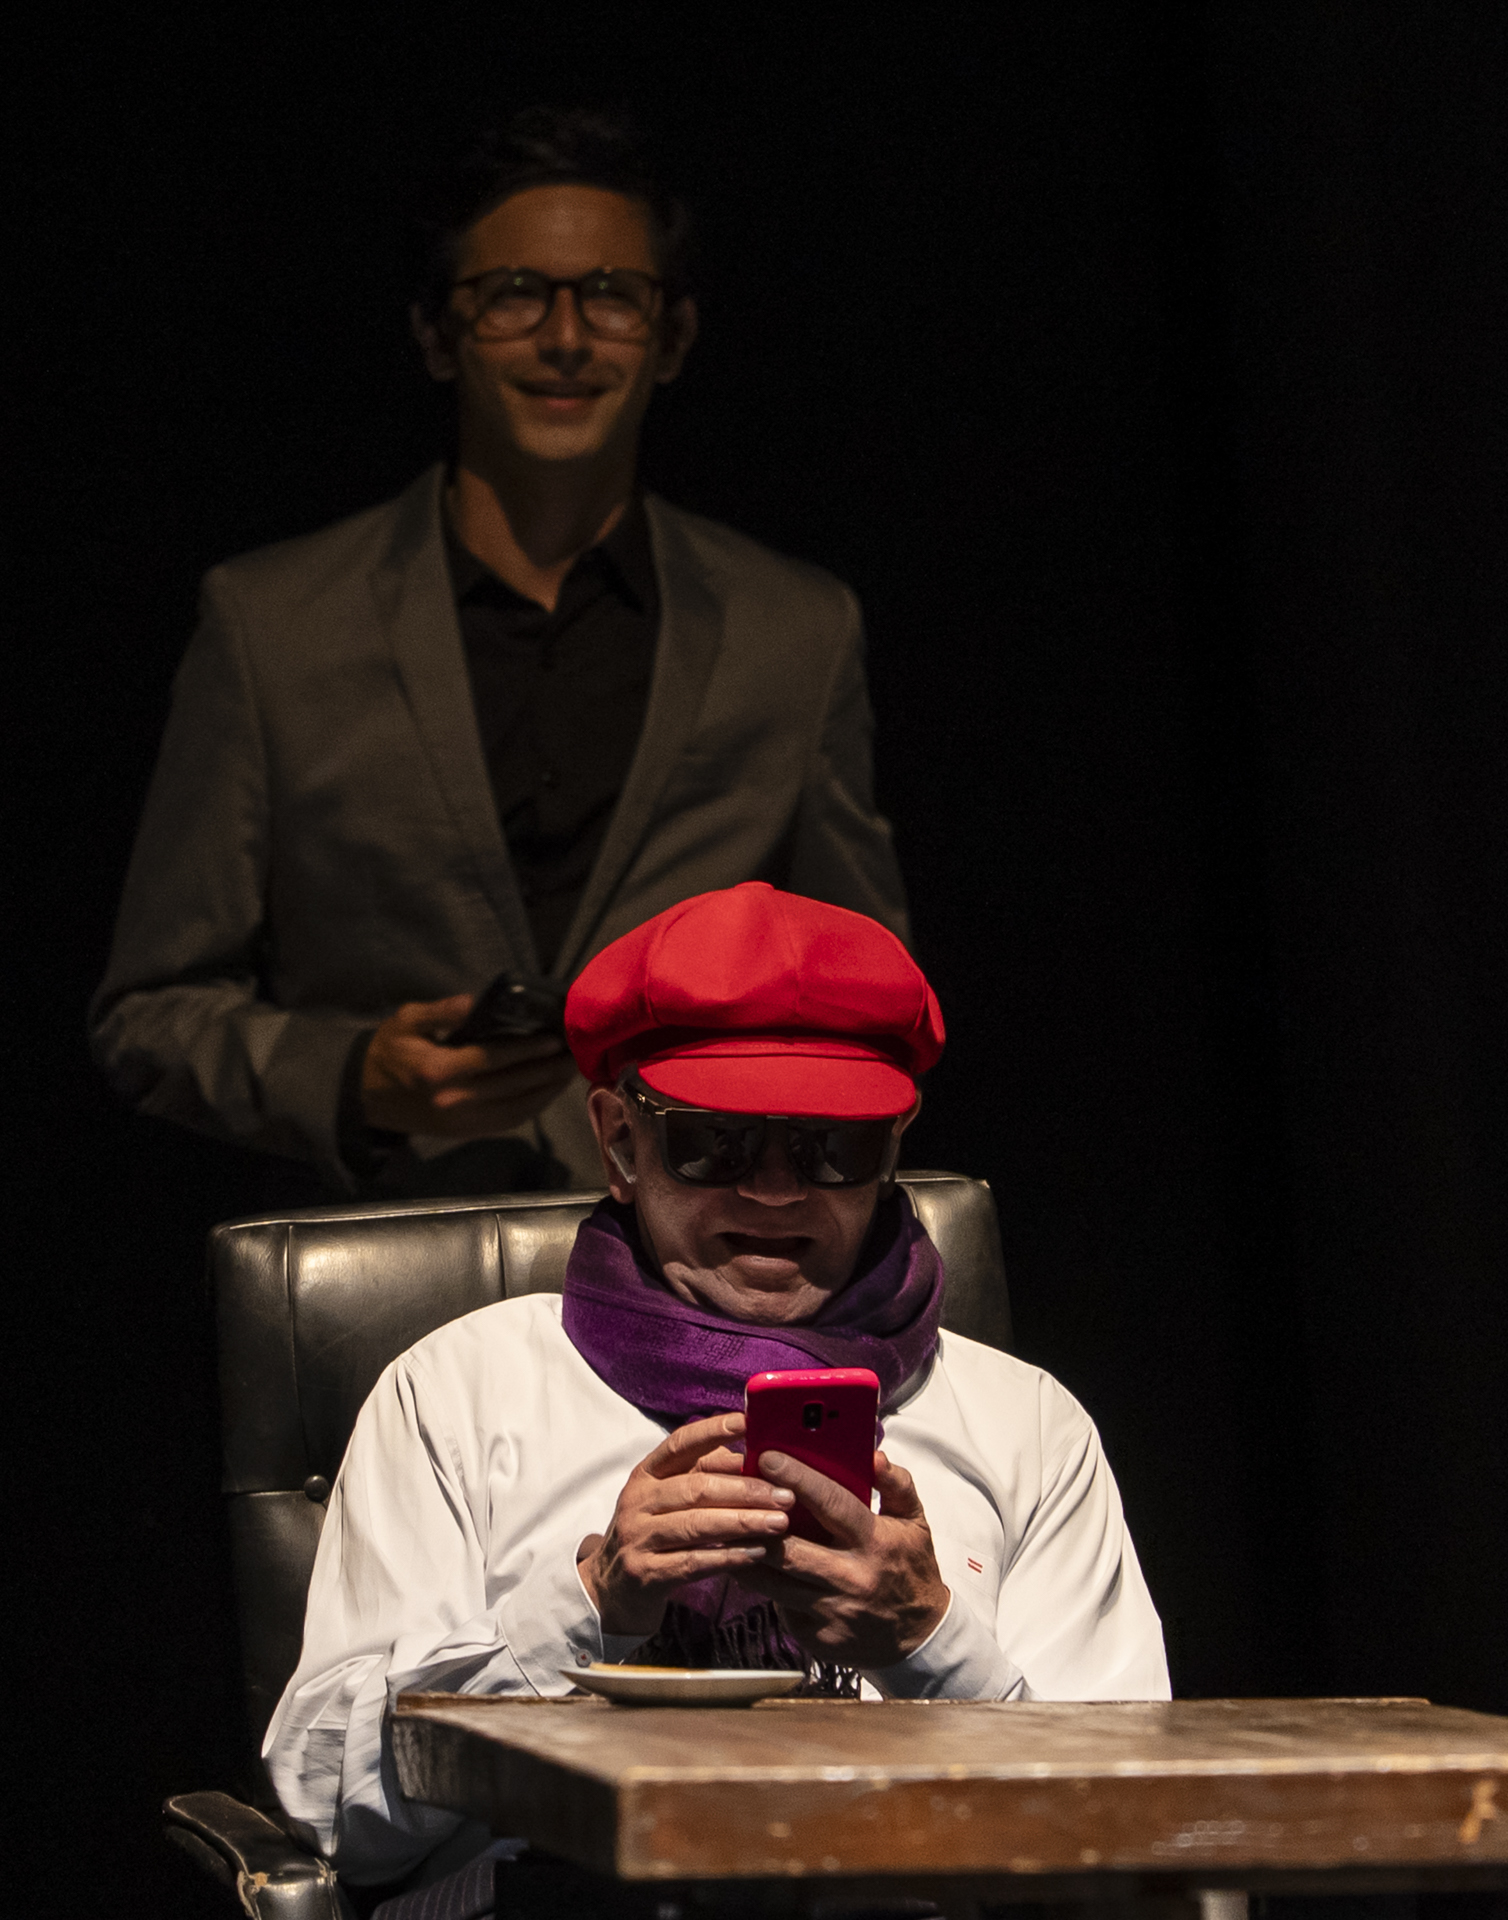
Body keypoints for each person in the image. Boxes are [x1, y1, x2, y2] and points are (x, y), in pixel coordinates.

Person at [265, 883, 1169, 1905]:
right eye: (715, 1140)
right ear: (619, 1142)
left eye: (833, 1145)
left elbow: (1132, 1842)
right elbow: (328, 1811)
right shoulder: (457, 1393)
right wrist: (589, 1604)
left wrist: (929, 1639)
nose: (775, 1190)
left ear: (892, 1149)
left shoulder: (1026, 1424)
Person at [88, 109, 908, 1201]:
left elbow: (866, 1000)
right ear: (439, 336)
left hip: (703, 1260)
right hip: (390, 1256)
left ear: (671, 338)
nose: (566, 336)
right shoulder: (272, 624)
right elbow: (151, 1014)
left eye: (611, 294)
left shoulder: (792, 631)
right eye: (515, 293)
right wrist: (354, 1078)